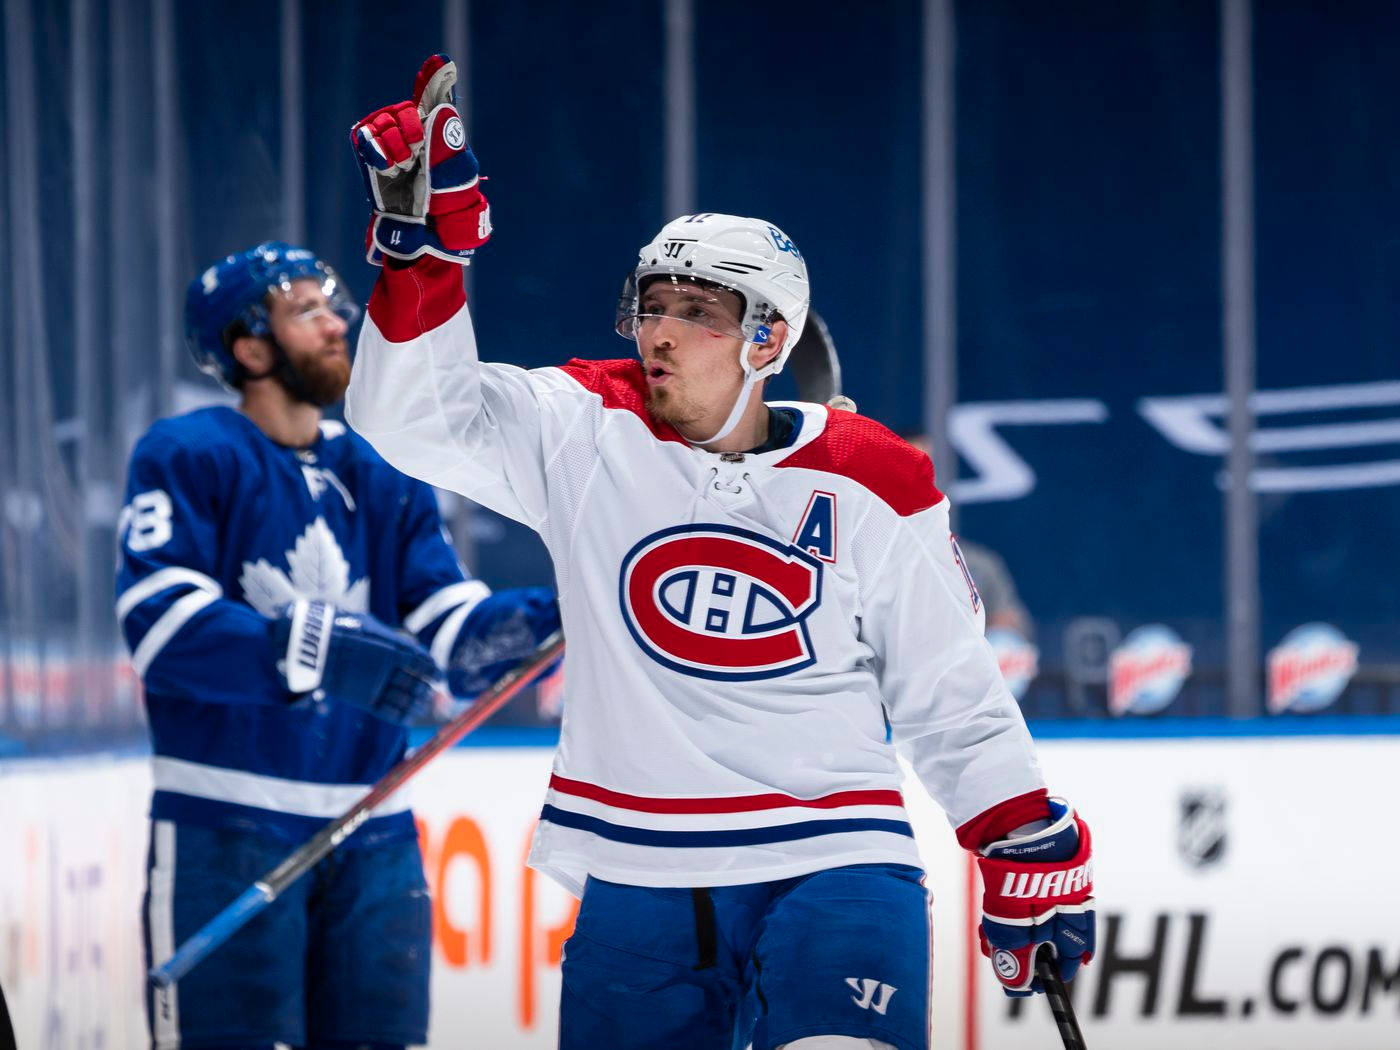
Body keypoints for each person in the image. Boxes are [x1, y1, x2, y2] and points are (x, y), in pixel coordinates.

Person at [345, 55, 1096, 1050]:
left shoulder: (873, 476)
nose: (660, 330)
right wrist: (422, 258)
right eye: (651, 303)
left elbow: (942, 684)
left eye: (695, 312)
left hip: (834, 858)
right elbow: (409, 423)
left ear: (767, 339)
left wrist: (1012, 830)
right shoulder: (583, 424)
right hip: (636, 874)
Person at [116, 239, 559, 1049]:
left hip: (373, 833)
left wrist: (557, 612)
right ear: (248, 347)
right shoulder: (189, 454)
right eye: (305, 311)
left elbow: (452, 632)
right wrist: (314, 646)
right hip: (227, 825)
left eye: (333, 306)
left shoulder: (380, 470)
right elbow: (161, 624)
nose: (335, 324)